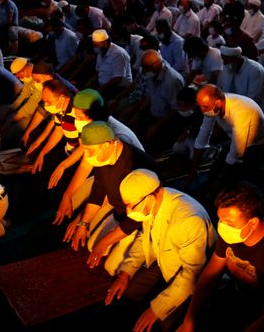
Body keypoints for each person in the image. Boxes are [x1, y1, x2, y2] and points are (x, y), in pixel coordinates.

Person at [177, 182, 264, 332]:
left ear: (252, 223)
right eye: (220, 220)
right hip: (243, 298)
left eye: (228, 222)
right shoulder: (232, 233)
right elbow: (211, 273)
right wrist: (189, 319)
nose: (222, 227)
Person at [104, 169, 215, 331]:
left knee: (159, 324)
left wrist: (156, 309)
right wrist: (126, 272)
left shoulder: (188, 221)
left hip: (192, 279)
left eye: (131, 206)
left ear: (149, 198)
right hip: (164, 259)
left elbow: (191, 275)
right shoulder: (157, 199)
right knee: (126, 294)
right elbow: (144, 238)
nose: (129, 212)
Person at [59, 122, 155, 268]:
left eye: (90, 151)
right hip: (119, 213)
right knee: (92, 245)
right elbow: (98, 190)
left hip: (140, 220)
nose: (87, 156)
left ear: (106, 145)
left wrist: (105, 242)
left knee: (111, 266)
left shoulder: (134, 164)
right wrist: (83, 223)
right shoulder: (103, 158)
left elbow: (137, 216)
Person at [192, 85, 264, 180]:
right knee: (214, 172)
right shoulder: (212, 106)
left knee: (235, 179)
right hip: (235, 139)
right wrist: (193, 168)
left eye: (204, 107)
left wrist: (221, 179)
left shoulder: (242, 112)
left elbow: (234, 154)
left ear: (218, 103)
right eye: (201, 106)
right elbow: (203, 135)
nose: (202, 110)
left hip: (259, 145)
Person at [218, 45, 264, 121]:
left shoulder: (254, 69)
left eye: (226, 60)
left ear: (235, 59)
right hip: (242, 102)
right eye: (223, 60)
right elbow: (226, 90)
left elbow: (252, 99)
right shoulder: (229, 66)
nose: (224, 63)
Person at [87, 29, 133, 96]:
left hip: (118, 88)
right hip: (103, 85)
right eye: (94, 45)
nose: (95, 48)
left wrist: (99, 91)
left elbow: (117, 79)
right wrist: (90, 82)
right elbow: (98, 71)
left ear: (105, 43)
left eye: (96, 45)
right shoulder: (101, 51)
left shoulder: (118, 54)